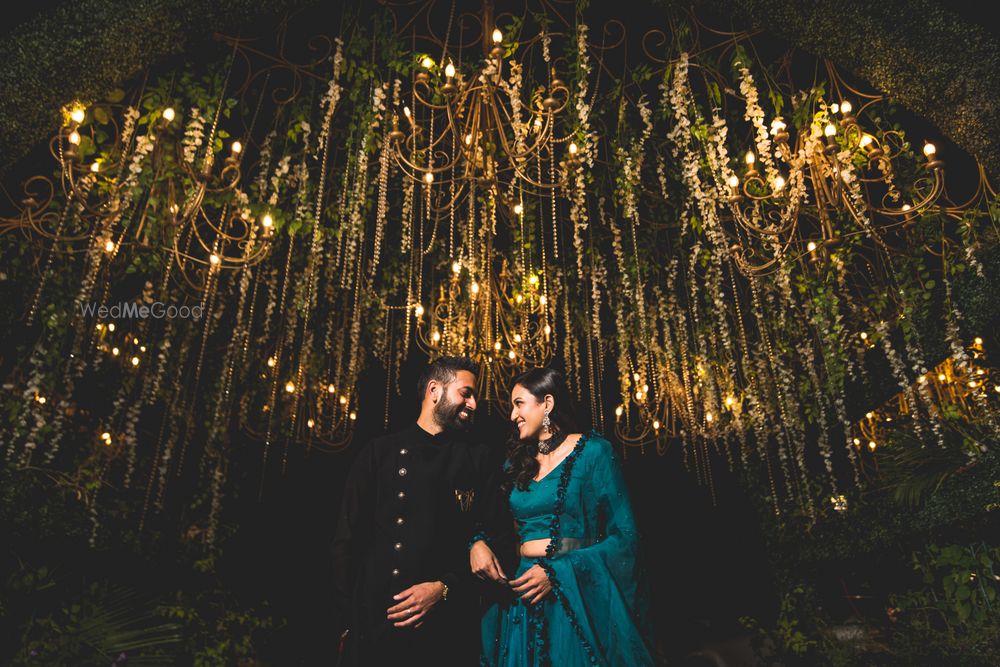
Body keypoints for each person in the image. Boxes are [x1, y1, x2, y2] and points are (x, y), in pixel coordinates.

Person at [471, 367, 655, 666]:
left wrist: (559, 574)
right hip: (523, 594)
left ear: (547, 403)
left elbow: (625, 537)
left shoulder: (594, 452)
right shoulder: (516, 464)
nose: (512, 415)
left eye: (519, 404)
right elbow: (493, 526)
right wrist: (477, 543)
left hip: (572, 593)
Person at [332, 355, 492, 666]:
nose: (473, 404)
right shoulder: (381, 452)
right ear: (435, 390)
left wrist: (443, 589)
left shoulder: (477, 460)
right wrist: (347, 624)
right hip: (374, 628)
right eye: (466, 392)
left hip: (446, 634)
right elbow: (346, 540)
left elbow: (490, 537)